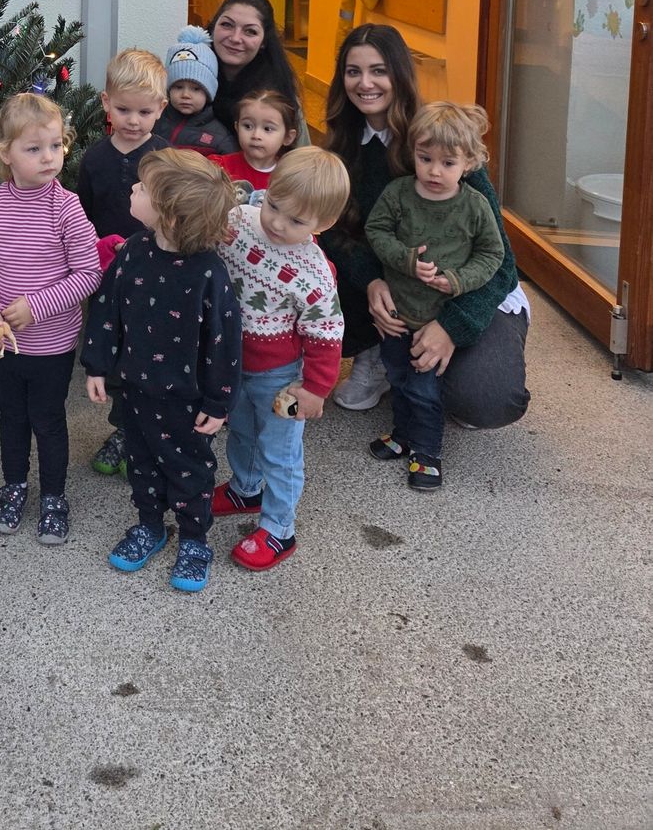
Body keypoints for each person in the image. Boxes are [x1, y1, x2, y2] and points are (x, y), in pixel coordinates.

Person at [320, 23, 530, 430]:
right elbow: (330, 230)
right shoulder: (340, 147)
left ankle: (462, 356)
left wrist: (453, 327)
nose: (365, 83)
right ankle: (377, 349)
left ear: (399, 74)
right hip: (395, 280)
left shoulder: (443, 141)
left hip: (462, 285)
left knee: (484, 401)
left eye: (378, 70)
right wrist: (371, 284)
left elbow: (500, 260)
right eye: (353, 71)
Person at [82, 150, 241, 594]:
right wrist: (96, 366)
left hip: (186, 402)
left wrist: (218, 402)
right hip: (134, 391)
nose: (132, 189)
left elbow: (223, 344)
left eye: (142, 188)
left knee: (189, 472)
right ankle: (150, 526)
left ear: (169, 213)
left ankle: (193, 539)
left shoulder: (209, 274)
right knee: (142, 465)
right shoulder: (133, 251)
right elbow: (106, 309)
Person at [0, 93, 102, 545]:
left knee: (47, 419)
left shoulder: (66, 208)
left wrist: (36, 307)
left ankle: (53, 496)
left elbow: (89, 273)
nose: (49, 157)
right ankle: (14, 486)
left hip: (52, 344)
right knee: (11, 416)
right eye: (34, 148)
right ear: (5, 153)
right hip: (5, 343)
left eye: (56, 146)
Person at [213, 147, 348, 571]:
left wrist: (314, 389)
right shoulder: (241, 221)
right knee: (241, 430)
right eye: (274, 205)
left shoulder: (314, 273)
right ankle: (246, 488)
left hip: (281, 378)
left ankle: (278, 529)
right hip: (233, 361)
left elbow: (326, 336)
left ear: (323, 225)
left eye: (296, 221)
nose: (276, 222)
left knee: (281, 450)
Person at [363, 103, 505, 490]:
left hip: (436, 318)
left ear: (470, 162)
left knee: (425, 388)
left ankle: (426, 453)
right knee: (397, 377)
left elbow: (494, 256)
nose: (434, 171)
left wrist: (459, 281)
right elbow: (376, 232)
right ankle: (402, 434)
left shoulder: (474, 205)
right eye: (425, 159)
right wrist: (406, 261)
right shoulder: (399, 193)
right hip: (397, 315)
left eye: (447, 163)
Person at [75, 48, 166, 479]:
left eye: (144, 111)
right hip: (107, 277)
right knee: (112, 354)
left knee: (151, 354)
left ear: (160, 109)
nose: (133, 120)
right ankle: (124, 427)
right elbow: (84, 216)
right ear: (106, 102)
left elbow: (178, 216)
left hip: (157, 277)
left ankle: (149, 431)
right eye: (124, 109)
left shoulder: (165, 160)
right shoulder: (94, 159)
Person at [205, 0, 310, 153]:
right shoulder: (189, 77)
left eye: (250, 31)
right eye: (227, 25)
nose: (235, 38)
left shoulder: (279, 94)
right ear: (213, 27)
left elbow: (302, 160)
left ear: (263, 42)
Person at [153, 27, 234, 155]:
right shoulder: (153, 121)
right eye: (178, 87)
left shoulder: (220, 138)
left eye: (196, 89)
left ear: (208, 93)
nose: (185, 95)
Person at [216, 89, 301, 206]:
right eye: (248, 126)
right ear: (237, 127)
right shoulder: (218, 168)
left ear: (288, 137)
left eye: (267, 129)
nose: (256, 135)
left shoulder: (292, 178)